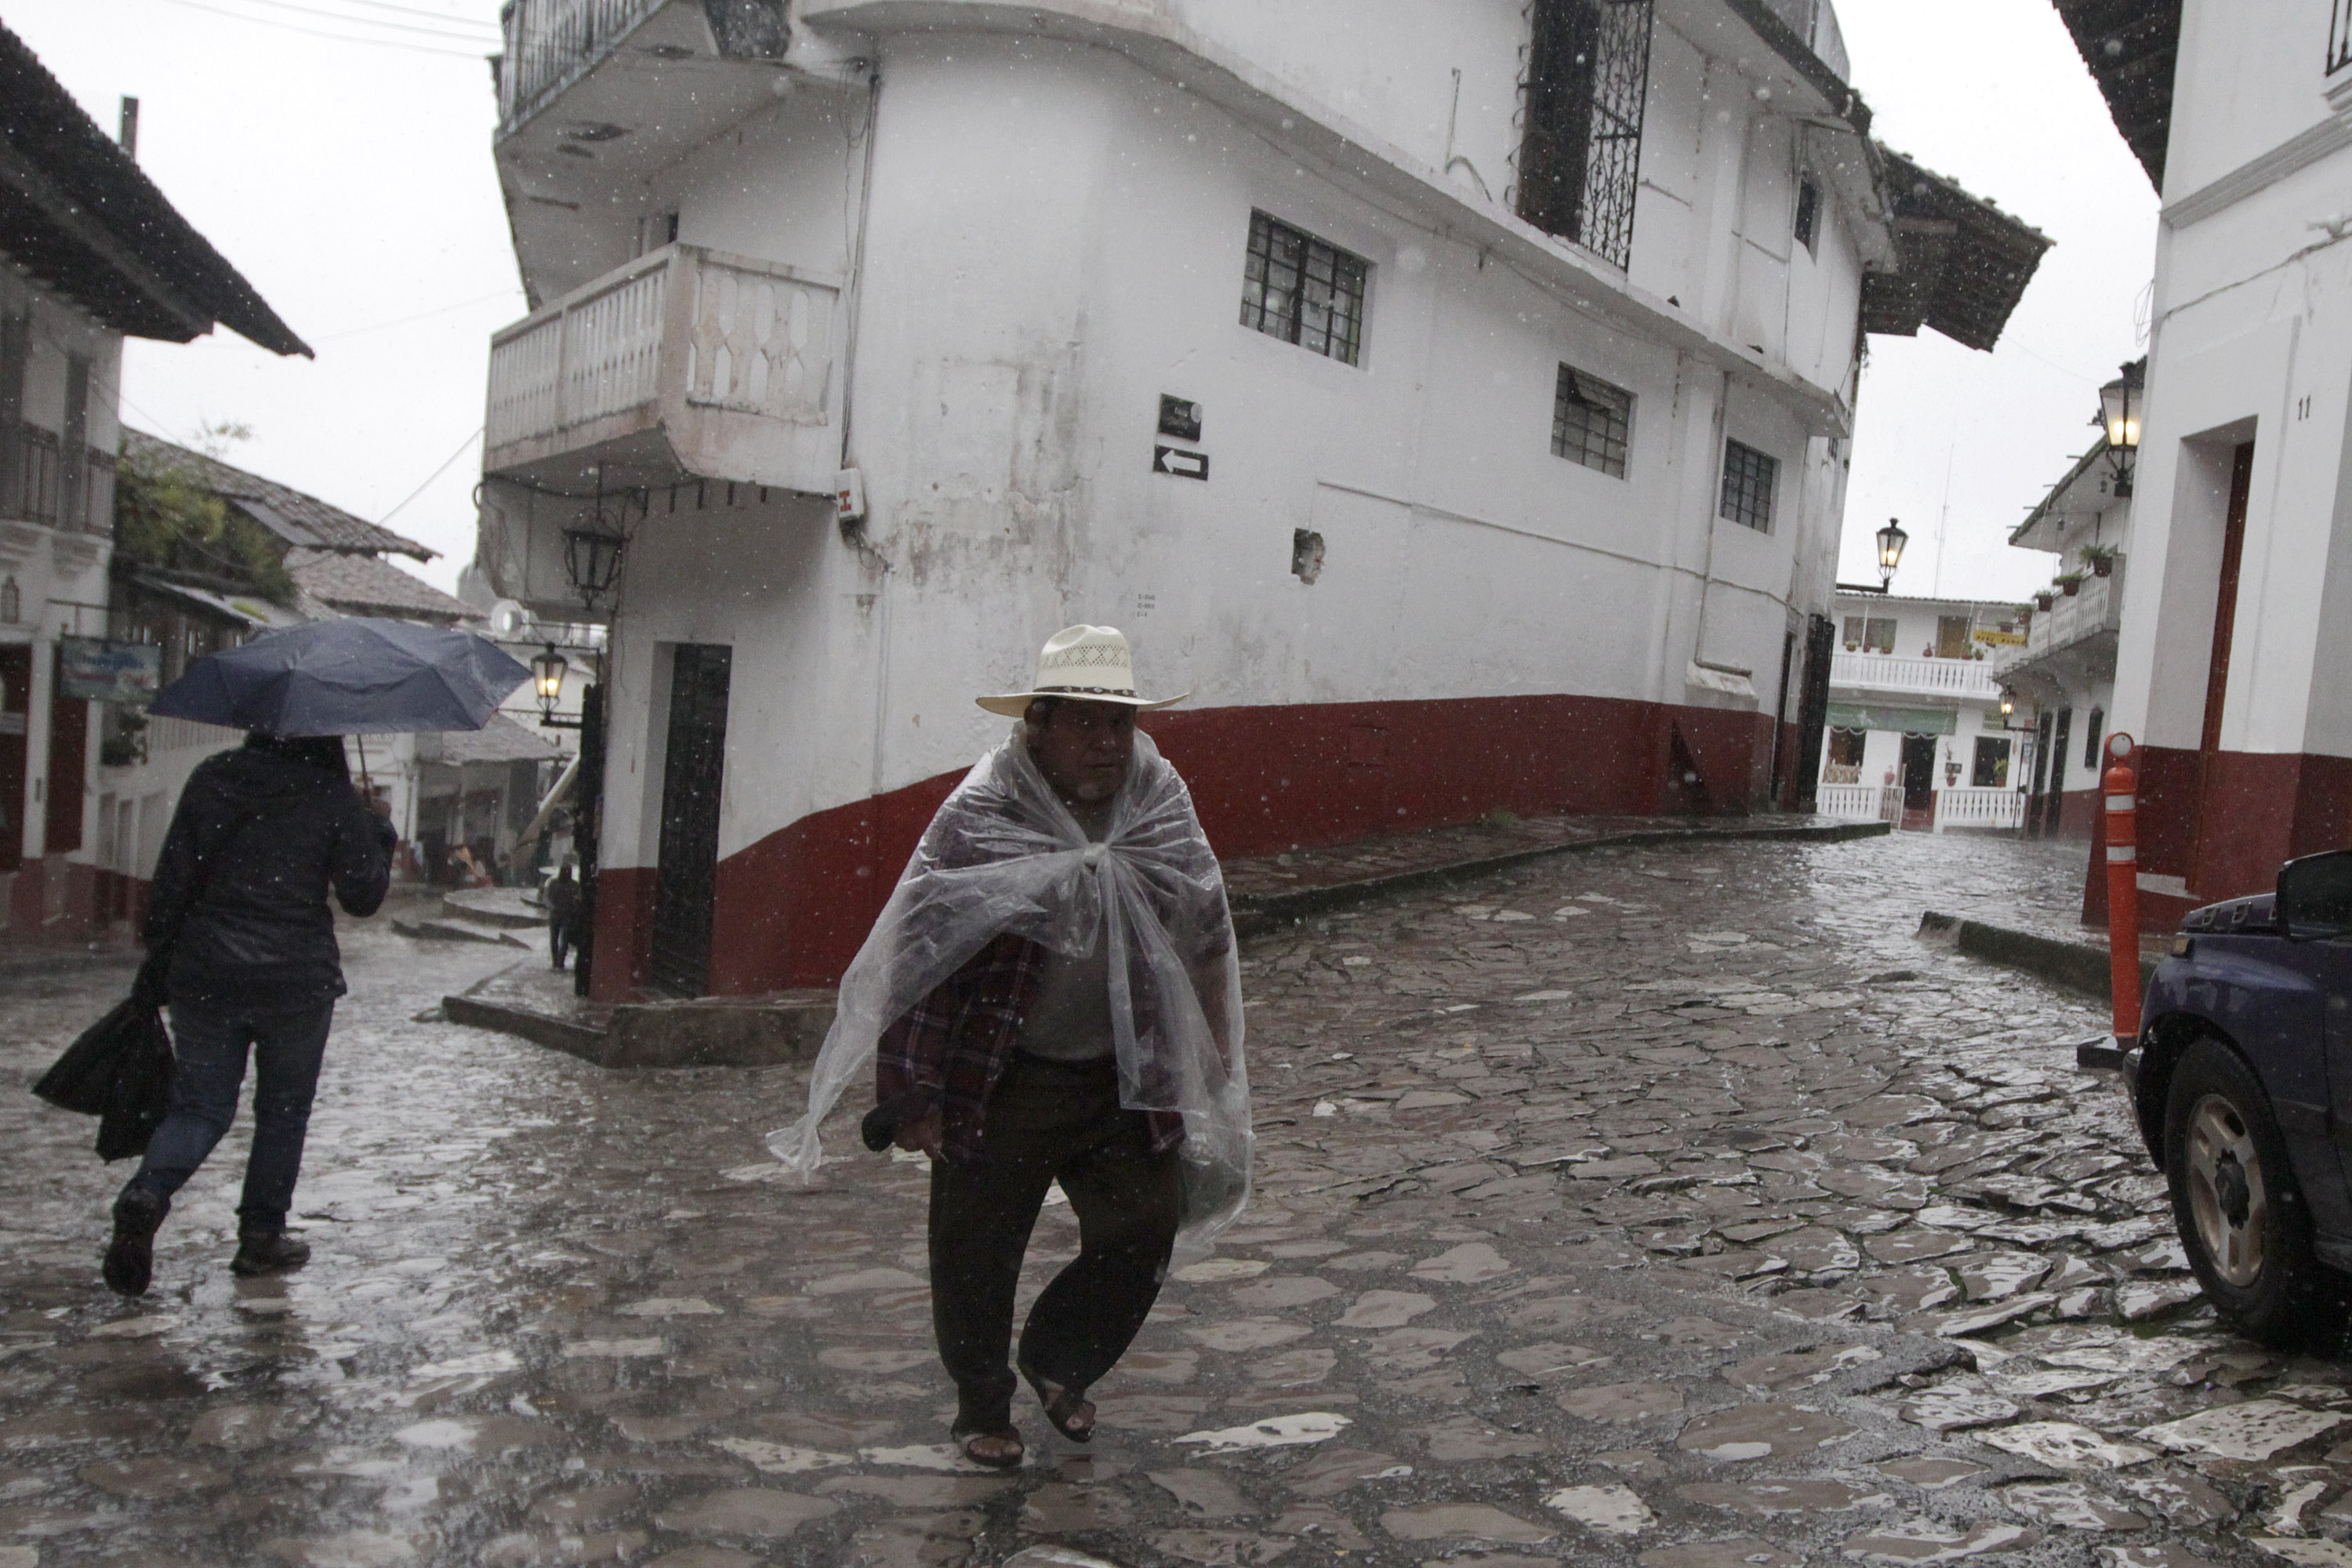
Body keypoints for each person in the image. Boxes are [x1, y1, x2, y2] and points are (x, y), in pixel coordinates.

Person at [771, 626, 1251, 1471]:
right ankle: (981, 1406)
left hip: (1119, 1066)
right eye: (1086, 723)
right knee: (976, 1243)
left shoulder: (1156, 797)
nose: (1108, 743)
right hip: (1005, 1068)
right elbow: (924, 948)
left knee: (1146, 1219)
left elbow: (1205, 924)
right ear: (1040, 722)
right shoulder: (986, 810)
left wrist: (1209, 1053)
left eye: (1120, 723)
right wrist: (914, 1092)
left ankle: (1059, 1357)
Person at [101, 731, 397, 1297]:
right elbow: (363, 897)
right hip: (296, 980)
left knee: (200, 1107)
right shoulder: (330, 796)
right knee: (283, 1111)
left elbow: (172, 880)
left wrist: (161, 959)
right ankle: (261, 1236)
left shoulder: (213, 778)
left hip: (207, 971)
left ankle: (148, 1194)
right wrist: (377, 833)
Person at [546, 861, 579, 971]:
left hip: (566, 916)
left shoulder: (574, 885)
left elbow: (577, 900)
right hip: (556, 916)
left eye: (567, 871)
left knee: (563, 941)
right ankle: (556, 962)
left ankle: (559, 962)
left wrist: (573, 911)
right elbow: (546, 899)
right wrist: (552, 907)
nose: (566, 873)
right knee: (555, 940)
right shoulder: (554, 883)